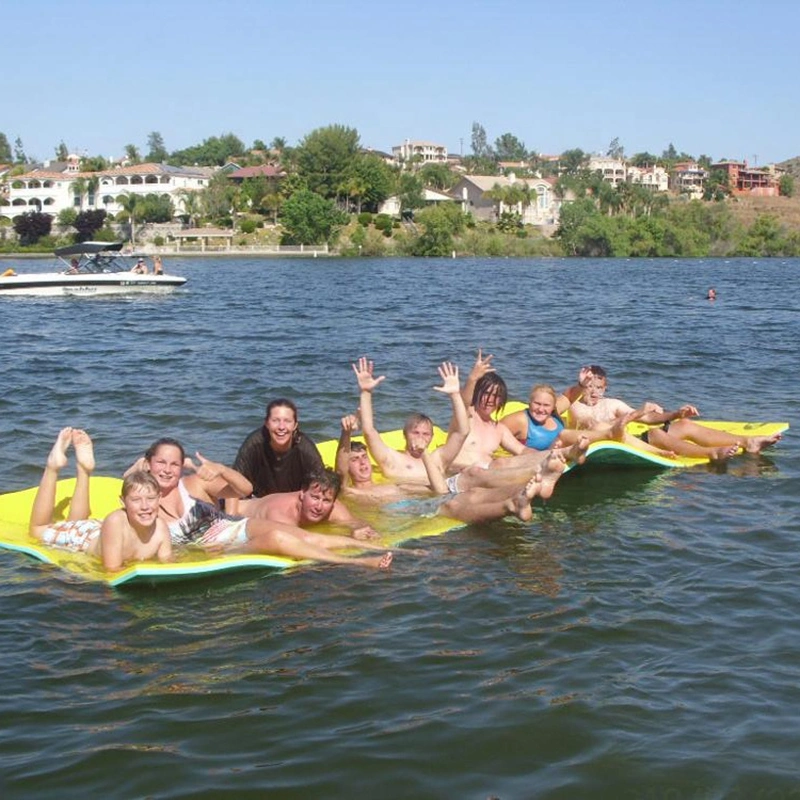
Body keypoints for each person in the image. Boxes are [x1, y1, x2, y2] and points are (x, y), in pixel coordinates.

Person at [137, 437, 393, 569]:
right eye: (161, 463)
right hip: (217, 550)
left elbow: (244, 489)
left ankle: (397, 549)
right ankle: (358, 563)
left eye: (174, 463)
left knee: (306, 536)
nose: (168, 470)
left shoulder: (193, 484)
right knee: (279, 539)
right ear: (148, 464)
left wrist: (221, 470)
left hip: (235, 527)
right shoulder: (141, 503)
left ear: (182, 466)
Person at [29, 428, 173, 571]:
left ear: (159, 498)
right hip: (85, 537)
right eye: (136, 500)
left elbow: (169, 565)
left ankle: (84, 470)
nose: (145, 506)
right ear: (123, 502)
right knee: (37, 530)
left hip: (101, 529)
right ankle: (52, 467)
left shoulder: (160, 528)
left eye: (151, 498)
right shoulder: (115, 521)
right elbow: (112, 570)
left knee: (76, 521)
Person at [565, 367, 781, 460]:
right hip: (611, 444)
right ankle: (712, 453)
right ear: (582, 385)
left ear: (605, 387)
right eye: (589, 386)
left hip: (634, 441)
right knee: (657, 435)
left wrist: (675, 414)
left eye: (599, 387)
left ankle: (748, 441)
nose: (593, 392)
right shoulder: (576, 406)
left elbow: (648, 419)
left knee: (684, 425)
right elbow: (580, 421)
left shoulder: (612, 403)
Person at [353, 357, 470, 487]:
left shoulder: (438, 460)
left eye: (426, 434)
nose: (420, 437)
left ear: (432, 438)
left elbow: (462, 432)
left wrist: (455, 395)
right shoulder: (393, 460)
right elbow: (369, 432)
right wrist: (365, 392)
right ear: (405, 434)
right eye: (416, 432)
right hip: (402, 503)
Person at [235, 467, 378, 539]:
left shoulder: (334, 508)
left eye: (327, 500)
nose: (319, 506)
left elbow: (359, 524)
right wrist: (348, 538)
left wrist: (363, 531)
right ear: (302, 493)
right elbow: (305, 542)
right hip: (234, 513)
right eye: (315, 498)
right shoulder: (280, 514)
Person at [233, 398, 324, 496]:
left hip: (294, 501)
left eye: (287, 421)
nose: (281, 427)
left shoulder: (304, 448)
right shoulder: (254, 444)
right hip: (258, 502)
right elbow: (234, 483)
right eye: (275, 420)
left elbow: (322, 484)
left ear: (295, 425)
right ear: (267, 423)